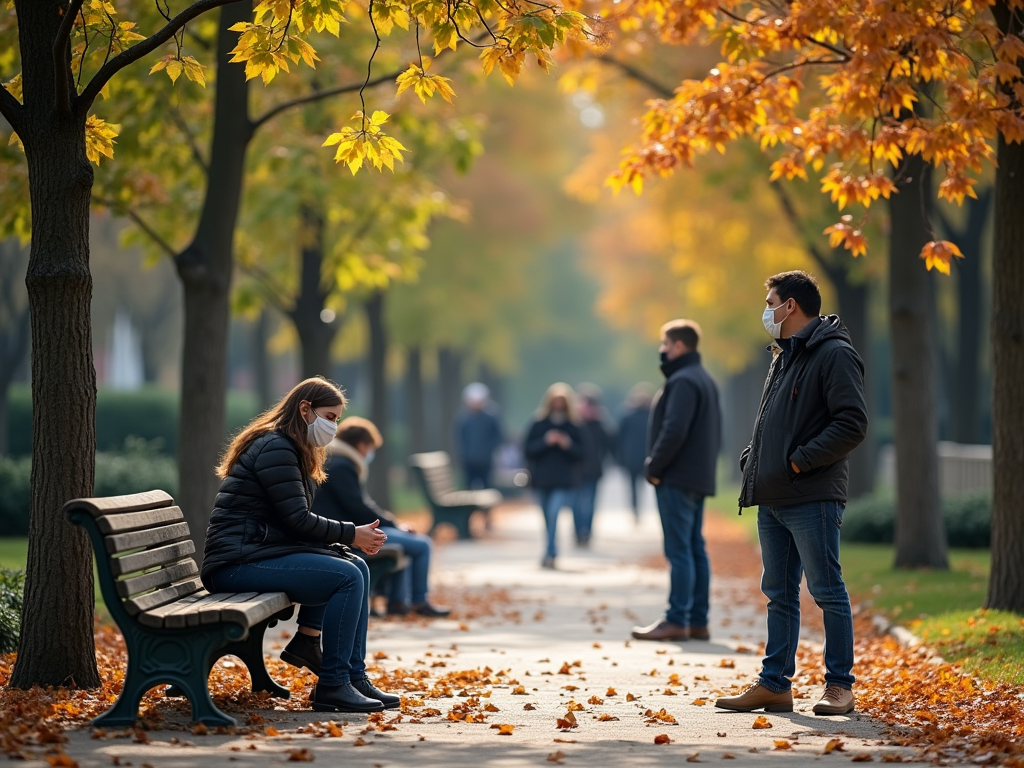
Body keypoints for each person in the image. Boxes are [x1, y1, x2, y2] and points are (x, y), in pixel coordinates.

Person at [715, 271, 867, 717]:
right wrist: (754, 458)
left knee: (826, 590)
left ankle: (840, 686)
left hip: (812, 495)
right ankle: (775, 684)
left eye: (770, 302)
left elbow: (851, 424)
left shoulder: (834, 353)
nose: (767, 310)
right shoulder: (784, 355)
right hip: (774, 497)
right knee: (779, 593)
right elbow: (773, 421)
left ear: (792, 306)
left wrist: (797, 461)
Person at [201, 377, 399, 714]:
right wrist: (352, 534)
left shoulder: (290, 446)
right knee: (346, 576)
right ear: (305, 409)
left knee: (356, 566)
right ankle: (334, 684)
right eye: (330, 416)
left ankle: (352, 675)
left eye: (336, 418)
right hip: (235, 565)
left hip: (252, 554)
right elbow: (297, 520)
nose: (333, 426)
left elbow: (292, 522)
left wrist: (344, 545)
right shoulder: (276, 447)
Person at [632, 320, 721, 643]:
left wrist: (654, 465)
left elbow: (675, 429)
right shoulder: (704, 379)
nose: (662, 350)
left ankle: (676, 619)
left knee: (679, 549)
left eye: (665, 344)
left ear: (679, 346)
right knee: (695, 548)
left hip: (677, 477)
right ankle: (697, 621)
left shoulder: (682, 381)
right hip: (697, 477)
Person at [313, 416, 450, 618]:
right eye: (370, 448)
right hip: (346, 534)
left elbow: (359, 506)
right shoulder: (342, 465)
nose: (370, 453)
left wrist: (394, 525)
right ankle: (419, 601)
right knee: (421, 545)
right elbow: (358, 508)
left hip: (345, 529)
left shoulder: (336, 460)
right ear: (361, 445)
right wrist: (395, 524)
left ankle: (397, 601)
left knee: (404, 544)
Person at [523, 383, 584, 569]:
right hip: (542, 479)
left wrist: (567, 444)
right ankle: (550, 548)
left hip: (563, 480)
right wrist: (546, 442)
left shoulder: (573, 426)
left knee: (554, 512)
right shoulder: (539, 424)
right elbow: (527, 450)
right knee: (546, 517)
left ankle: (550, 552)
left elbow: (582, 453)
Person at [573, 383, 613, 547]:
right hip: (575, 471)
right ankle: (577, 532)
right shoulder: (574, 423)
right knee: (576, 504)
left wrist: (602, 422)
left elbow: (611, 444)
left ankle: (586, 532)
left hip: (593, 470)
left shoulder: (600, 425)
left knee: (589, 504)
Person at [616, 383, 654, 521]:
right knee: (636, 486)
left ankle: (636, 508)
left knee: (635, 486)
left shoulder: (629, 417)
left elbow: (619, 439)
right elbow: (620, 439)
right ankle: (636, 508)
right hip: (640, 456)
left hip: (635, 457)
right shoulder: (646, 416)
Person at [456, 382, 504, 490]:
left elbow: (498, 436)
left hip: (485, 461)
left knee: (487, 487)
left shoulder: (491, 418)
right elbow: (460, 439)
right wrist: (464, 455)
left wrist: (489, 450)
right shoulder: (464, 419)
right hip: (468, 461)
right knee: (468, 487)